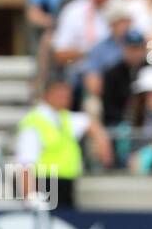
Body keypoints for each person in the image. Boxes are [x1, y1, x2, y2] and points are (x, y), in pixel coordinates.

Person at [15, 75, 113, 208]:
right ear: (48, 94)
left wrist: (103, 145)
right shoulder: (34, 122)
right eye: (61, 94)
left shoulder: (64, 118)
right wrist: (30, 197)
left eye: (68, 95)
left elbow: (90, 125)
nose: (66, 99)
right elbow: (26, 163)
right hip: (44, 185)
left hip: (66, 185)